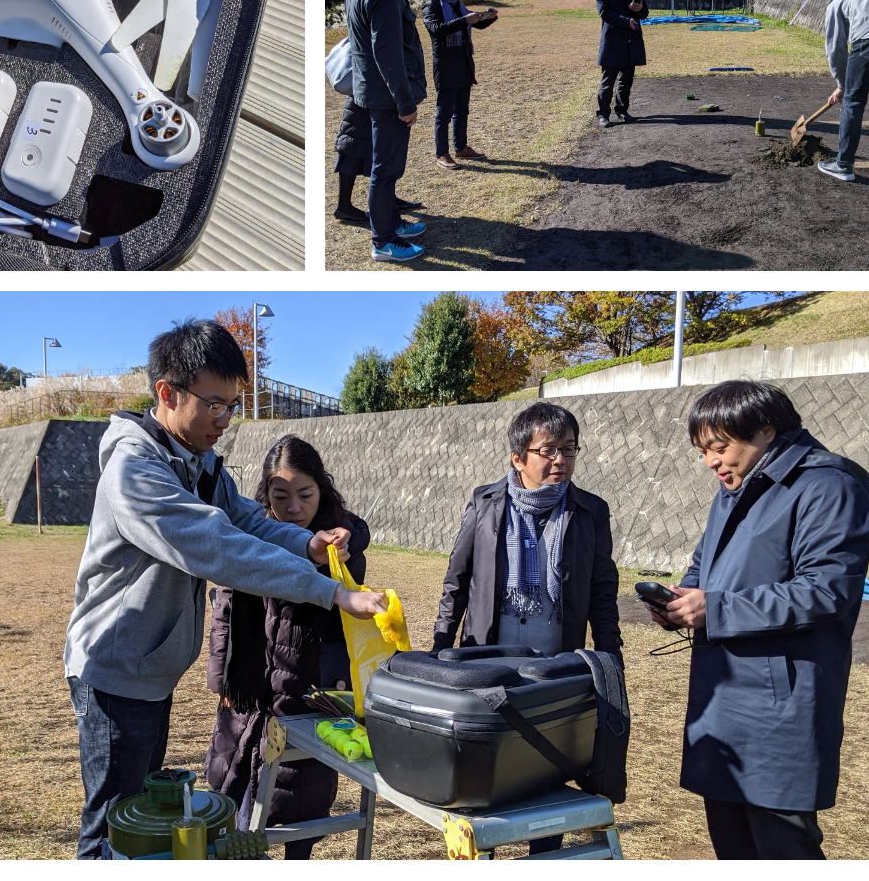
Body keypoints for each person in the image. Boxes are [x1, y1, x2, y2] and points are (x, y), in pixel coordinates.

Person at [63, 320, 388, 859]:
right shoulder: (135, 470)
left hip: (149, 667)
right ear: (167, 393)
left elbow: (244, 521)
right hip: (116, 669)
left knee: (142, 814)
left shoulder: (200, 463)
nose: (224, 419)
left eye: (231, 406)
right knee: (113, 827)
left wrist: (306, 545)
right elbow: (217, 546)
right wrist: (329, 591)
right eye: (213, 405)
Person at [644, 381, 869, 860]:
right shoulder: (733, 489)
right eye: (704, 450)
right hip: (722, 695)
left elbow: (826, 589)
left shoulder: (828, 484)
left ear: (767, 430)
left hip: (781, 704)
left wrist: (716, 609)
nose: (712, 461)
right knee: (731, 843)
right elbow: (702, 567)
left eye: (720, 446)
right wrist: (680, 602)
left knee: (783, 846)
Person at [432, 401, 622, 855]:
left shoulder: (590, 511)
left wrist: (611, 656)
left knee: (545, 761)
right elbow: (457, 580)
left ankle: (544, 851)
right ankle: (484, 852)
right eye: (549, 450)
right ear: (518, 457)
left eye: (570, 449)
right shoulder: (485, 501)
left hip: (555, 658)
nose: (561, 460)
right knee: (483, 761)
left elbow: (602, 589)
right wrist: (439, 647)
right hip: (485, 657)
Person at [204, 436, 368, 859]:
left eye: (305, 495)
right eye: (281, 496)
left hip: (308, 688)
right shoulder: (249, 535)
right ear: (266, 495)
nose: (293, 508)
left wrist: (336, 684)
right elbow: (224, 608)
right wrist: (222, 675)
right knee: (240, 793)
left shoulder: (343, 544)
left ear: (322, 490)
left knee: (302, 799)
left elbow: (343, 628)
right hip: (249, 684)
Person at [345, 0, 428, 263]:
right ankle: (383, 241)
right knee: (386, 169)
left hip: (372, 91)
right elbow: (387, 52)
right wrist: (405, 103)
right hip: (387, 97)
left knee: (386, 167)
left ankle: (392, 224)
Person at [816, 0, 869, 182]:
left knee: (854, 101)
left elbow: (835, 47)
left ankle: (843, 165)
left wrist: (843, 85)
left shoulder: (837, 1)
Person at [422, 0, 497, 170]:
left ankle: (461, 147)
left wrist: (487, 17)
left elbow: (471, 24)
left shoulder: (458, 4)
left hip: (463, 62)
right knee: (444, 112)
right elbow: (437, 30)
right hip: (445, 64)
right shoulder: (432, 6)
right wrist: (464, 19)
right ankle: (442, 153)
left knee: (462, 110)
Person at [330, 93, 423, 226]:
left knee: (382, 149)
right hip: (362, 97)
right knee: (352, 147)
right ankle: (344, 207)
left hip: (372, 97)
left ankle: (389, 199)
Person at [595, 0, 649, 128]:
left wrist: (640, 10)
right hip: (612, 40)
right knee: (608, 81)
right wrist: (626, 21)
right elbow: (604, 13)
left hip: (631, 41)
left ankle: (622, 110)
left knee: (626, 80)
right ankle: (603, 114)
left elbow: (645, 13)